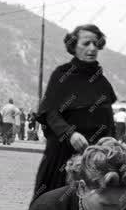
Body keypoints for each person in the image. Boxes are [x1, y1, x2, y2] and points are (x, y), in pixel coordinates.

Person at [33, 24, 117, 200]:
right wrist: (70, 134)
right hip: (63, 154)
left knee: (94, 207)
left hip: (95, 157)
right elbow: (50, 113)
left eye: (95, 43)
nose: (92, 48)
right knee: (56, 205)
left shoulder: (102, 82)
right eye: (86, 43)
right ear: (74, 46)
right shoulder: (61, 75)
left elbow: (108, 120)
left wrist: (111, 143)